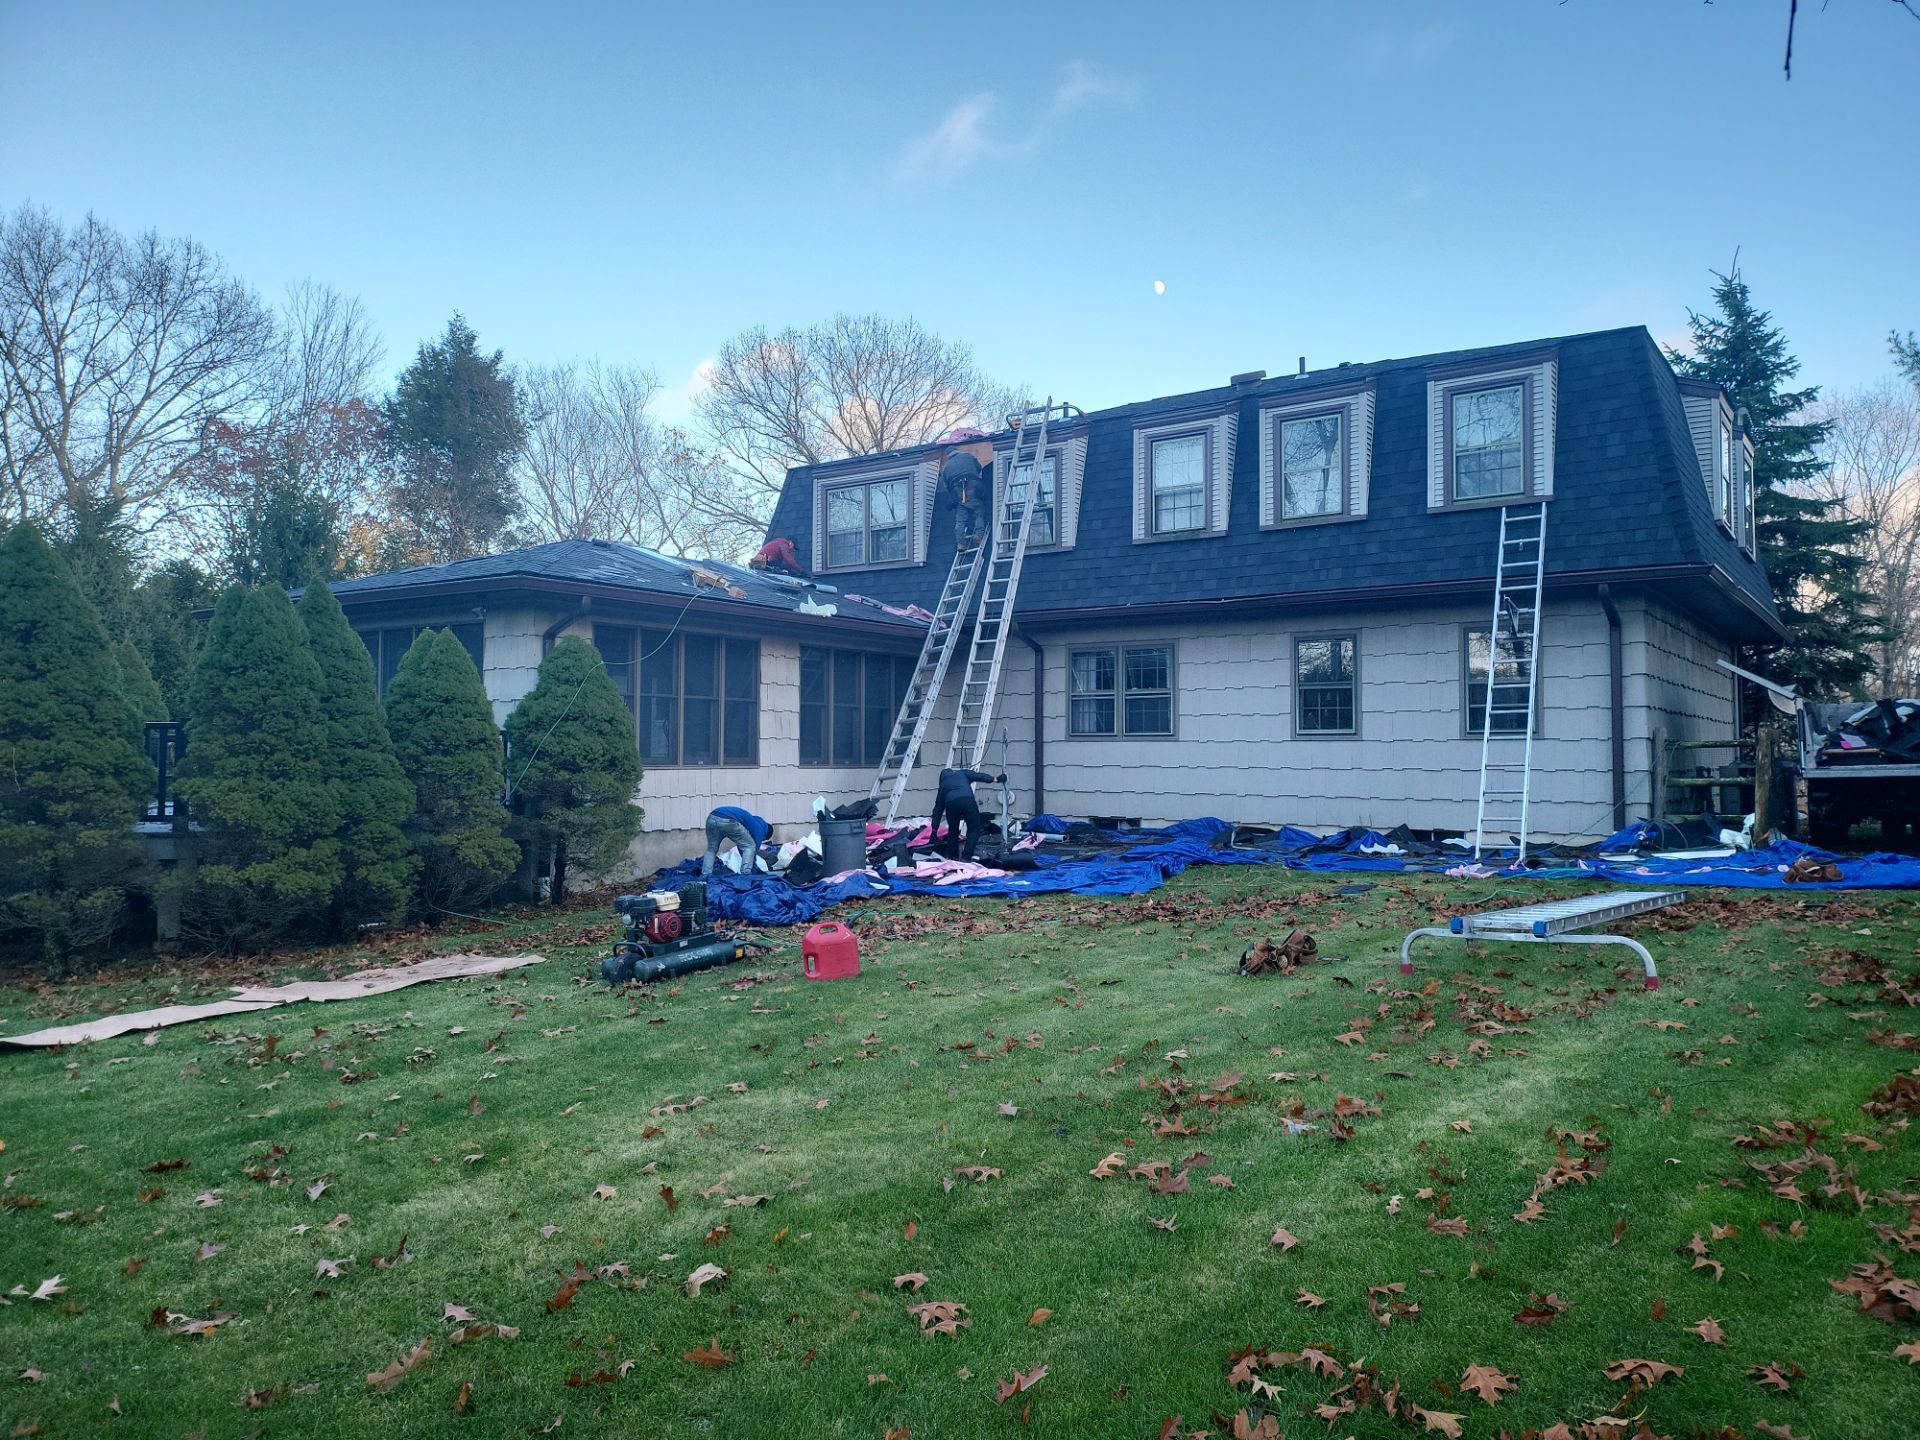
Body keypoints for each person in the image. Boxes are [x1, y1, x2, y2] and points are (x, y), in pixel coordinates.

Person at [931, 767, 1005, 861]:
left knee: (953, 831)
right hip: (967, 801)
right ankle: (966, 857)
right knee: (974, 829)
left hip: (951, 805)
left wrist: (934, 830)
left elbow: (938, 809)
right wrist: (996, 779)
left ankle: (953, 858)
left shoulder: (943, 785)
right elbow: (979, 776)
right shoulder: (963, 773)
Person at [939, 430, 997, 551]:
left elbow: (946, 486)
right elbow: (978, 468)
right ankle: (978, 536)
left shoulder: (946, 467)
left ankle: (961, 543)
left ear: (948, 455)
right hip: (973, 486)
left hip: (958, 492)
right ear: (956, 451)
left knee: (960, 518)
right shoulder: (967, 456)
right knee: (979, 511)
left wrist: (954, 498)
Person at [702, 805, 772, 876]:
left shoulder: (753, 822)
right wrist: (753, 868)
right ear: (765, 836)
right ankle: (746, 875)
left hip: (712, 816)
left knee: (711, 849)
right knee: (750, 847)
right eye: (763, 839)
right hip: (729, 819)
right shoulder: (760, 830)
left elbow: (741, 846)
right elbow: (752, 850)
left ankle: (706, 874)